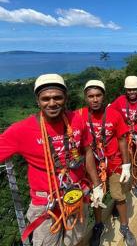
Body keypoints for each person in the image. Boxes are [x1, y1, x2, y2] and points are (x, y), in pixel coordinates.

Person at [0, 74, 102, 246]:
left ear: (65, 98)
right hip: (45, 203)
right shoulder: (21, 130)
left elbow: (87, 150)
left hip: (75, 195)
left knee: (75, 241)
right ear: (38, 101)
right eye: (45, 98)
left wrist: (97, 185)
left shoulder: (77, 120)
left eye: (57, 97)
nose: (52, 103)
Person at [77, 80, 137, 246]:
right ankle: (98, 225)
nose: (95, 100)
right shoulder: (79, 116)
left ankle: (125, 226)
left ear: (103, 97)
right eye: (91, 96)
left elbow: (122, 139)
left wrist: (126, 165)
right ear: (85, 97)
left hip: (114, 162)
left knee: (119, 195)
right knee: (97, 198)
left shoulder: (114, 114)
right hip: (92, 165)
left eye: (98, 95)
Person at [110, 76, 137, 200]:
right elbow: (110, 113)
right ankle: (130, 185)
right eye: (129, 89)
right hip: (126, 136)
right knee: (127, 161)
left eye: (134, 89)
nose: (132, 92)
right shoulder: (120, 101)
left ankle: (135, 182)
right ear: (126, 90)